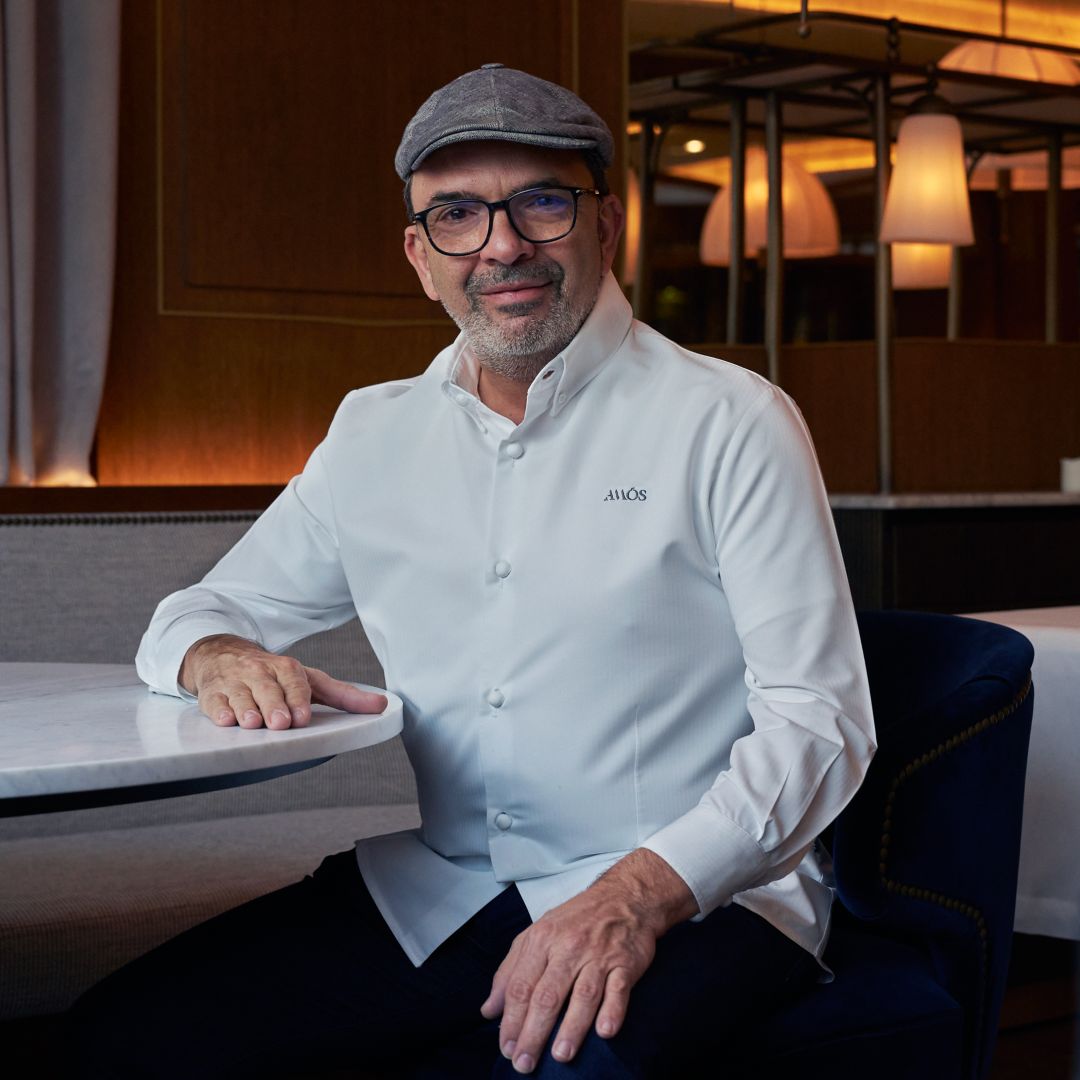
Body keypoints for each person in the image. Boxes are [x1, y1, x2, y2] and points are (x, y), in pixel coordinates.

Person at [67, 65, 875, 1079]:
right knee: (115, 1042)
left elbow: (823, 723)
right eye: (456, 213)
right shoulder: (373, 431)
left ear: (606, 227)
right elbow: (199, 609)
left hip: (695, 896)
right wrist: (216, 652)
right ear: (419, 255)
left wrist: (634, 896)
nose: (502, 244)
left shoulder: (732, 420)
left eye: (541, 201)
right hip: (439, 893)